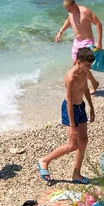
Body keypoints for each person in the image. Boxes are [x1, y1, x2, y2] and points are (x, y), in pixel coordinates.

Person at [37, 47, 96, 184]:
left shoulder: (85, 72)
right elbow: (69, 103)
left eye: (90, 65)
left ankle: (76, 174)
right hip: (70, 110)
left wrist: (92, 108)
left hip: (81, 107)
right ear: (78, 62)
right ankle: (44, 160)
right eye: (87, 65)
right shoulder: (70, 77)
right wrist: (72, 126)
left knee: (84, 140)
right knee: (72, 145)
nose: (89, 67)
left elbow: (86, 89)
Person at [55, 0, 103, 93]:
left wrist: (99, 42)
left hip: (87, 41)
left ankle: (90, 84)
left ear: (74, 5)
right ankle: (90, 83)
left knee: (81, 65)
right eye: (67, 10)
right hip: (77, 41)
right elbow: (69, 21)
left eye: (69, 9)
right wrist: (61, 31)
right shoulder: (71, 12)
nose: (68, 11)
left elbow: (98, 24)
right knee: (75, 64)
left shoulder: (85, 11)